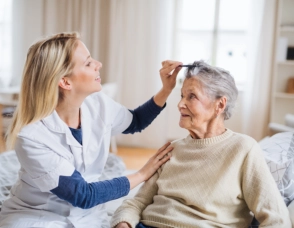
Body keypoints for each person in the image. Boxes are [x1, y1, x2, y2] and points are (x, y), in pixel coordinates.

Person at [0, 32, 183, 228]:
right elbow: (84, 195)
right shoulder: (31, 137)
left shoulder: (97, 103)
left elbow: (136, 121)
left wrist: (166, 89)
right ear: (65, 82)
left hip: (88, 215)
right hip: (38, 215)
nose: (98, 64)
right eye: (88, 63)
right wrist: (143, 173)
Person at [111, 60, 292, 228]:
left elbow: (277, 219)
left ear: (220, 105)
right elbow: (136, 203)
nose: (180, 104)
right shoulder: (172, 149)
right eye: (182, 95)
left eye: (192, 97)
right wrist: (123, 224)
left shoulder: (243, 149)